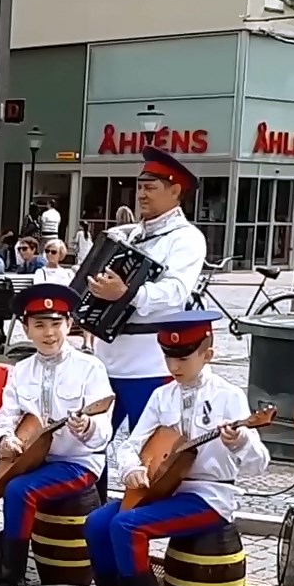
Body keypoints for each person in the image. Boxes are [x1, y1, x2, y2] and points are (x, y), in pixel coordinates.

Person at [89, 310, 270, 586]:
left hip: (209, 495)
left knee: (127, 526)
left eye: (184, 357)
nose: (175, 366)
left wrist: (239, 442)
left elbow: (259, 463)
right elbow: (131, 443)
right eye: (169, 357)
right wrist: (131, 470)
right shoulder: (162, 396)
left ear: (208, 353)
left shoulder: (227, 396)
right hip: (163, 488)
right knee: (97, 522)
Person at [0, 284, 113, 586]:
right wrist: (4, 441)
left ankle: (13, 583)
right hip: (29, 459)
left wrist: (88, 428)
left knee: (18, 490)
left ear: (70, 325)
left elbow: (104, 429)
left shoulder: (90, 369)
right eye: (39, 325)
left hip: (75, 462)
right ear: (26, 328)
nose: (49, 333)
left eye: (56, 323)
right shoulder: (21, 370)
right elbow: (4, 417)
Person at [88, 147, 208, 436]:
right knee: (88, 447)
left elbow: (176, 292)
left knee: (150, 450)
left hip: (149, 364)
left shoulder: (187, 238)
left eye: (150, 188)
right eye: (139, 187)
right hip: (105, 359)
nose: (141, 194)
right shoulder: (126, 235)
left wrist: (128, 294)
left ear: (175, 190)